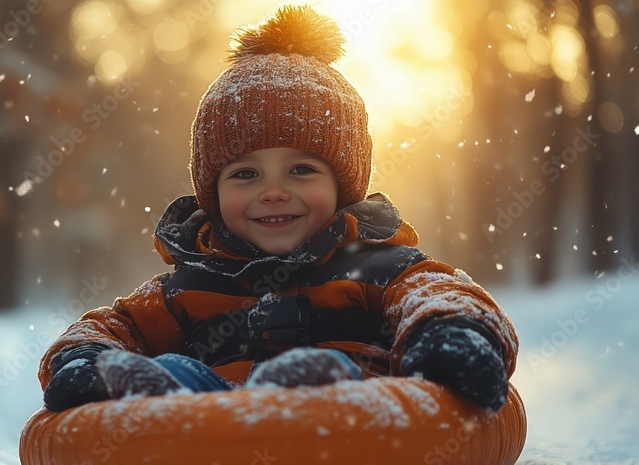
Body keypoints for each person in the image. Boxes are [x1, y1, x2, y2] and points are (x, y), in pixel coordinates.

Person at [38, 4, 518, 413]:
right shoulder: (192, 284)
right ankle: (159, 394)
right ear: (213, 194)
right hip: (216, 417)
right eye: (245, 174)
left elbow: (442, 293)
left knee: (332, 376)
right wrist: (84, 358)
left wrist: (449, 333)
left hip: (351, 406)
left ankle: (310, 387)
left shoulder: (378, 266)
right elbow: (113, 323)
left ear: (341, 186)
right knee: (178, 372)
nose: (272, 192)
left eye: (301, 171)